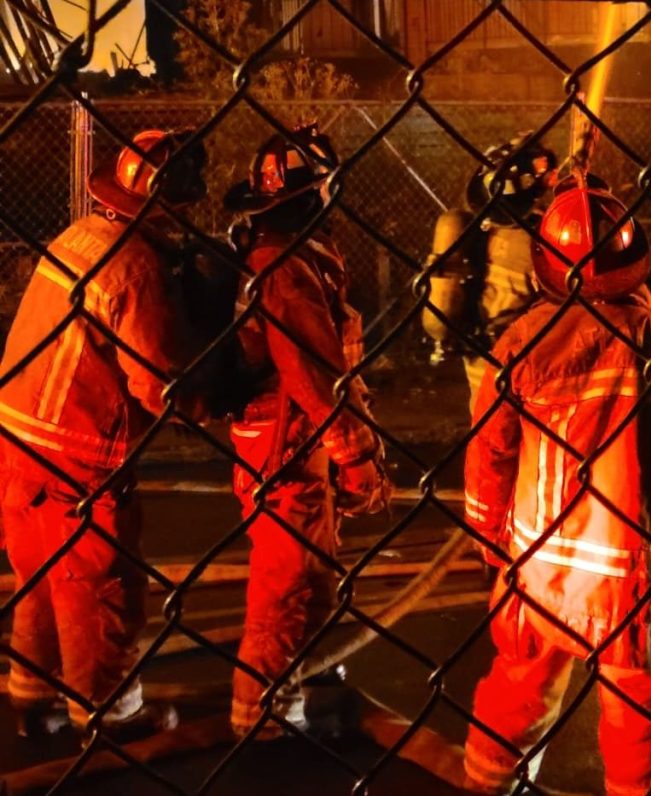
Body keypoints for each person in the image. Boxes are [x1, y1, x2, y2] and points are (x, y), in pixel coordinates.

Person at [461, 177, 651, 795]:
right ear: (635, 262)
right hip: (632, 582)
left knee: (516, 696)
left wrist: (493, 546)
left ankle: (488, 786)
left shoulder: (519, 347)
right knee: (642, 723)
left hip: (536, 574)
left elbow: (489, 461)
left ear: (545, 268)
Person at [0, 128, 210, 741]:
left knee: (39, 570)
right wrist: (212, 395)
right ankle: (110, 712)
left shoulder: (77, 236)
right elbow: (158, 382)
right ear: (165, 199)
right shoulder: (138, 266)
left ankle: (31, 696)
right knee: (101, 582)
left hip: (14, 434)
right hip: (79, 450)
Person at [224, 125, 391, 740]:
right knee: (287, 581)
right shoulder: (287, 268)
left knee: (313, 565)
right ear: (317, 193)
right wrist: (358, 455)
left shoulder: (288, 255)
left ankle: (312, 674)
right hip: (287, 448)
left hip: (289, 442)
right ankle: (264, 718)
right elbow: (317, 375)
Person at [421, 133, 558, 409]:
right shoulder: (542, 241)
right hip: (527, 370)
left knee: (487, 433)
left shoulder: (471, 232)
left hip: (478, 360)